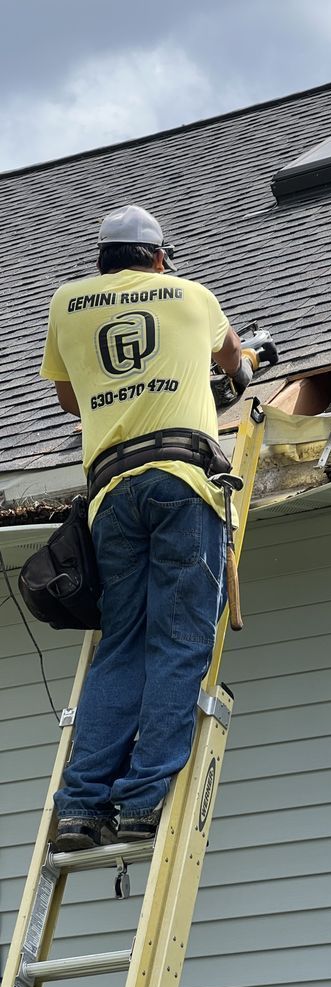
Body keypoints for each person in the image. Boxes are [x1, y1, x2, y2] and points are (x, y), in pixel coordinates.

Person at [40, 205, 254, 851]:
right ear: (160, 256)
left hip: (110, 493)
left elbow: (72, 398)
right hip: (182, 482)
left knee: (123, 645)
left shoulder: (67, 303)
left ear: (102, 260)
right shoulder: (192, 295)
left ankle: (79, 809)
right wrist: (237, 373)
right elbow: (235, 364)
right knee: (179, 641)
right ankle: (140, 802)